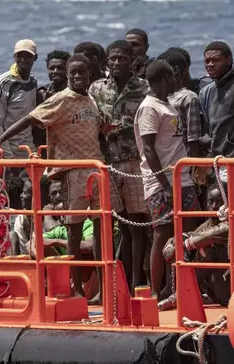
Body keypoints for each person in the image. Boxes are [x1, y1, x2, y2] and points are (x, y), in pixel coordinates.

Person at [0, 54, 110, 300]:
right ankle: (75, 287)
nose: (77, 77)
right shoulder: (60, 100)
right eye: (73, 73)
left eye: (82, 73)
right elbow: (30, 118)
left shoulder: (91, 100)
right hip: (72, 172)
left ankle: (101, 288)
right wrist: (0, 140)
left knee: (101, 230)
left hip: (95, 170)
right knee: (74, 233)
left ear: (89, 75)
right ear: (67, 75)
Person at [134, 60, 200, 300]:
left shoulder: (167, 104)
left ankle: (183, 287)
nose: (176, 80)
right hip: (162, 182)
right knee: (162, 233)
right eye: (172, 76)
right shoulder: (150, 107)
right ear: (163, 78)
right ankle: (155, 290)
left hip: (182, 178)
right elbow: (149, 149)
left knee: (192, 230)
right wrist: (165, 184)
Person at [89, 40, 150, 290]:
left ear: (131, 60)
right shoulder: (97, 89)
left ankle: (137, 283)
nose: (116, 63)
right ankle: (118, 285)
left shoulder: (144, 88)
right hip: (108, 163)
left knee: (137, 225)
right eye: (112, 59)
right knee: (120, 226)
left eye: (122, 58)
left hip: (135, 162)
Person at [160, 185, 230, 310]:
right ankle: (184, 292)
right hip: (216, 288)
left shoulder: (230, 220)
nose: (214, 206)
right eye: (211, 202)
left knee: (208, 247)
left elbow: (219, 232)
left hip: (229, 288)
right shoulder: (207, 224)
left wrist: (184, 245)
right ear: (206, 204)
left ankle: (180, 295)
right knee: (183, 241)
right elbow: (193, 235)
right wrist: (172, 244)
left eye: (220, 202)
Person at [0, 39, 39, 160]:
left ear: (35, 58)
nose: (23, 60)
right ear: (14, 56)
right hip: (9, 149)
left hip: (28, 148)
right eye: (20, 56)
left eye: (28, 56)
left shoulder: (33, 82)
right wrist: (8, 157)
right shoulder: (1, 83)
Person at [198, 41, 234, 183]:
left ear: (229, 59)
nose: (210, 64)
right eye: (207, 61)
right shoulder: (209, 91)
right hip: (219, 162)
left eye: (216, 60)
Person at [157, 49, 202, 158]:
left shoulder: (188, 97)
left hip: (182, 160)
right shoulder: (159, 97)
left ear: (175, 70)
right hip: (164, 158)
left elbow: (194, 137)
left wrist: (194, 165)